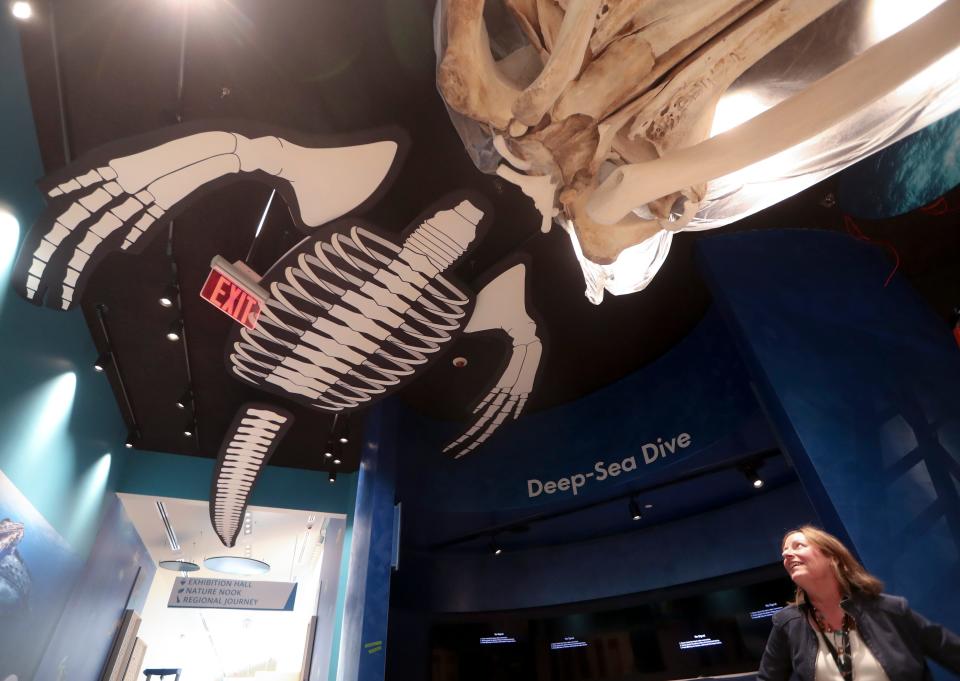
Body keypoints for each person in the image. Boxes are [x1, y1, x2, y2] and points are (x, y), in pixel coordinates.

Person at [757, 525, 960, 680]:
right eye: (784, 551)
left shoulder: (890, 610)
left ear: (832, 557)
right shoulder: (787, 623)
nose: (785, 554)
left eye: (798, 546)